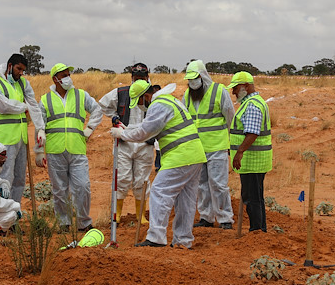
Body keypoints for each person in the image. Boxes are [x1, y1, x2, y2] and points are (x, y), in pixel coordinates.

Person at [110, 80, 206, 249]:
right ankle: (183, 241)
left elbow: (145, 132)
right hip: (195, 155)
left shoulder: (158, 105)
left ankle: (156, 237)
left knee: (159, 191)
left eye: (139, 102)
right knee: (186, 200)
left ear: (145, 96)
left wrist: (123, 135)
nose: (139, 106)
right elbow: (146, 125)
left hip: (180, 155)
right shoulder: (169, 100)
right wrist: (126, 129)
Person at [35, 63, 103, 232]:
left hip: (77, 148)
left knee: (82, 186)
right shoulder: (45, 99)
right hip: (54, 150)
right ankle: (64, 223)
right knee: (59, 190)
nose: (67, 78)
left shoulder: (81, 95)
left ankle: (84, 222)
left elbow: (97, 110)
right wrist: (38, 151)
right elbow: (38, 126)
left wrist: (89, 129)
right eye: (63, 75)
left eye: (68, 74)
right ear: (55, 79)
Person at [0, 53, 45, 204]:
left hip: (21, 139)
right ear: (9, 66)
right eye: (18, 69)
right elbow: (3, 106)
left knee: (19, 179)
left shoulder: (23, 84)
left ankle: (13, 217)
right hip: (4, 140)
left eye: (23, 70)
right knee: (4, 179)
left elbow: (35, 107)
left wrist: (40, 128)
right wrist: (24, 107)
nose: (21, 73)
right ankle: (1, 218)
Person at [98, 63, 154, 224]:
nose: (138, 82)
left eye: (142, 79)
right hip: (124, 142)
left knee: (142, 180)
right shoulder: (121, 93)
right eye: (135, 79)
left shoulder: (153, 95)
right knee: (121, 178)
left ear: (147, 78)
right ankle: (117, 213)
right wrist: (114, 117)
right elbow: (102, 104)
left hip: (145, 143)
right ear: (131, 79)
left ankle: (140, 215)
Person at [183, 60, 235, 230]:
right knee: (202, 185)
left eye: (195, 79)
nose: (192, 83)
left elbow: (230, 117)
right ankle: (206, 217)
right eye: (189, 80)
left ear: (203, 76)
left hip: (217, 147)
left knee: (218, 184)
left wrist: (230, 142)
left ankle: (225, 218)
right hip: (197, 148)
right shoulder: (187, 95)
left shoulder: (219, 91)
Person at [227, 71, 272, 232]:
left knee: (252, 198)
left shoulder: (252, 105)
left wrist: (239, 152)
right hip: (255, 160)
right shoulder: (253, 102)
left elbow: (252, 132)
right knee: (256, 197)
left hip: (253, 160)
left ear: (245, 86)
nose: (233, 92)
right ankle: (260, 230)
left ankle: (257, 231)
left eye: (235, 88)